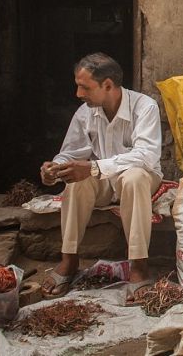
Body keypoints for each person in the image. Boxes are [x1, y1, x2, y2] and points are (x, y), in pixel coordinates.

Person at [39, 52, 162, 305]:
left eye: (85, 87)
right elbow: (72, 152)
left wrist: (94, 168)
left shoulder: (144, 106)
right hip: (105, 181)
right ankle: (69, 258)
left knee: (134, 177)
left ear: (107, 85)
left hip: (141, 178)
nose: (78, 94)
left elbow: (146, 156)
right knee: (76, 179)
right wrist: (56, 168)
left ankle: (138, 265)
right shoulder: (86, 112)